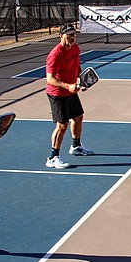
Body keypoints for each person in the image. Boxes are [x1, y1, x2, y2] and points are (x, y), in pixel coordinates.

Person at [45, 24, 93, 169]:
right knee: (61, 125)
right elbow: (50, 79)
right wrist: (68, 86)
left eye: (74, 35)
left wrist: (82, 81)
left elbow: (77, 66)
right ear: (61, 36)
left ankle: (76, 146)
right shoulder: (55, 54)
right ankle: (53, 157)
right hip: (57, 94)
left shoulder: (75, 48)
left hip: (71, 92)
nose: (72, 37)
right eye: (69, 35)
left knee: (78, 117)